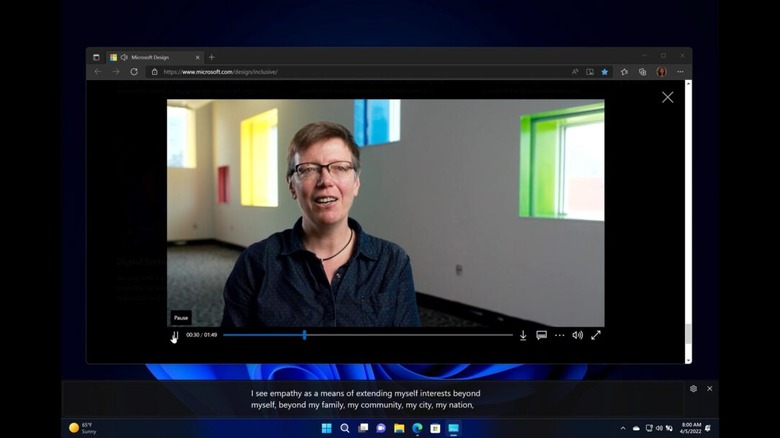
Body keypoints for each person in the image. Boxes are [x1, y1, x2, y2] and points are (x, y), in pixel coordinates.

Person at [222, 121, 421, 327]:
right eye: (308, 169)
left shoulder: (391, 262)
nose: (325, 181)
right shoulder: (256, 263)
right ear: (291, 186)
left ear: (356, 183)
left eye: (340, 168)